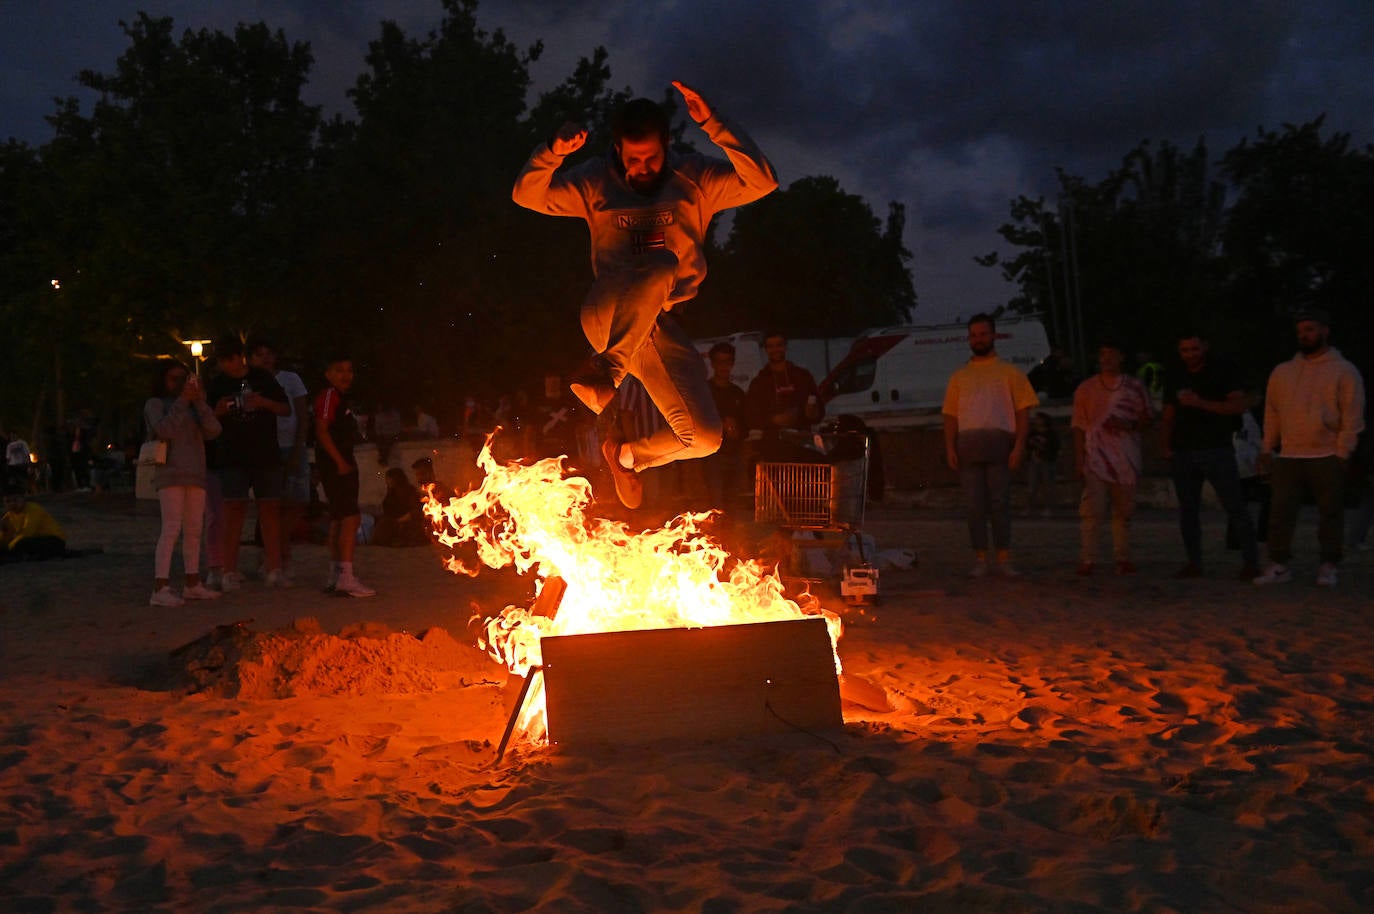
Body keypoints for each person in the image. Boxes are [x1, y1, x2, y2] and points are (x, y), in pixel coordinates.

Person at [512, 82, 778, 509]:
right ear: (617, 149)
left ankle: (626, 456)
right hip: (609, 312)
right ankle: (608, 372)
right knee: (661, 262)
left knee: (704, 436)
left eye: (651, 158)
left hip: (661, 325)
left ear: (666, 145)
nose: (641, 168)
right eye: (632, 159)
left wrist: (715, 124)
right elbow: (526, 195)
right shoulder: (594, 179)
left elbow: (763, 181)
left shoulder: (696, 177)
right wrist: (553, 151)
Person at [1254, 309, 1366, 587]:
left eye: (1311, 329)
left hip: (1326, 453)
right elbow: (1272, 412)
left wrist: (1342, 452)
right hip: (1290, 454)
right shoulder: (1283, 372)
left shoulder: (1344, 370)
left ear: (1325, 330)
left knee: (1330, 513)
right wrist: (1268, 448)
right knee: (1280, 512)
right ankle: (1279, 564)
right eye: (1301, 331)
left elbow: (1353, 415)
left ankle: (1328, 565)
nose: (1305, 335)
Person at [942, 313, 1040, 577]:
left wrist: (1019, 446)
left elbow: (1023, 412)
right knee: (974, 505)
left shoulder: (1010, 373)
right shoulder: (959, 377)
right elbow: (950, 416)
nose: (979, 339)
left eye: (983, 334)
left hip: (1000, 446)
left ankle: (1004, 557)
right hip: (968, 447)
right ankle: (981, 558)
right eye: (974, 335)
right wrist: (950, 447)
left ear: (994, 336)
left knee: (1000, 503)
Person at [1159, 331, 1260, 580]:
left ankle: (1251, 562)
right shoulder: (1175, 374)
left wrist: (1200, 403)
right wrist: (1165, 444)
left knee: (1235, 506)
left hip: (1216, 448)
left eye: (1194, 349)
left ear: (1204, 347)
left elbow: (1237, 406)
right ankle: (1194, 562)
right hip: (1184, 450)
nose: (1190, 355)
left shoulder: (1222, 371)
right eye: (1185, 350)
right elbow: (1169, 413)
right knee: (1188, 510)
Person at [205, 335, 291, 592]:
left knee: (270, 511)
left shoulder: (263, 378)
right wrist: (217, 411)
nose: (227, 365)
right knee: (233, 512)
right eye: (222, 361)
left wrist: (262, 402)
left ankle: (274, 568)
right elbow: (205, 418)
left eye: (230, 359)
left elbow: (285, 409)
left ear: (239, 356)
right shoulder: (218, 384)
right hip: (232, 456)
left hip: (265, 454)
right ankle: (228, 571)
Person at [143, 359, 223, 606]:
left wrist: (198, 401)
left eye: (183, 378)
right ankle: (160, 586)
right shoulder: (156, 404)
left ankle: (192, 583)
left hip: (195, 473)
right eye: (173, 378)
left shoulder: (193, 406)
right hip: (171, 473)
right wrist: (183, 401)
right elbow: (164, 429)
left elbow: (214, 429)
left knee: (193, 529)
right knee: (171, 528)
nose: (179, 384)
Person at [1071, 339, 1154, 576]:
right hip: (1095, 457)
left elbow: (1148, 418)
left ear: (1121, 357)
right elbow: (1078, 425)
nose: (1106, 359)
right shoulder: (1086, 389)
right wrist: (1079, 459)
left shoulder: (1135, 387)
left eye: (1111, 354)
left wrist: (1130, 424)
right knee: (1092, 511)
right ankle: (1088, 558)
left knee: (1123, 511)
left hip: (1126, 457)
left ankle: (1123, 557)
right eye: (1102, 354)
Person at [247, 338, 310, 583]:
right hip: (266, 448)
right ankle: (278, 556)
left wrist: (298, 447)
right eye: (258, 353)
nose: (264, 358)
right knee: (272, 505)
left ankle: (278, 551)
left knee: (298, 502)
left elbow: (302, 414)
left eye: (268, 353)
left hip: (290, 445)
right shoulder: (250, 383)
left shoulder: (290, 379)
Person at [314, 355, 375, 597]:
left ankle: (336, 573)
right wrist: (339, 462)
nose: (346, 375)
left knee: (340, 519)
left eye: (349, 370)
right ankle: (346, 577)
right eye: (339, 370)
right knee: (350, 519)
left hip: (339, 463)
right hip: (337, 465)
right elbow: (321, 430)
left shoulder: (340, 397)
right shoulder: (329, 395)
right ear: (328, 374)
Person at [744, 332, 822, 461]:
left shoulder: (802, 377)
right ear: (766, 349)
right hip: (772, 446)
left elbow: (818, 410)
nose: (775, 350)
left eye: (779, 345)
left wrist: (811, 413)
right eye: (770, 346)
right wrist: (773, 419)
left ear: (785, 347)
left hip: (802, 444)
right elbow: (751, 416)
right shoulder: (759, 382)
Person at [702, 342, 747, 510]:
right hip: (712, 456)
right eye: (719, 362)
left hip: (734, 453)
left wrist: (737, 431)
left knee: (732, 503)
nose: (723, 366)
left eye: (727, 362)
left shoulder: (737, 393)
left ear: (732, 364)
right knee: (715, 503)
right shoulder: (705, 391)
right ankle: (716, 535)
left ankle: (731, 535)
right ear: (713, 364)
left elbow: (746, 424)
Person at [372, 467, 430, 547]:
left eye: (389, 479)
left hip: (408, 521)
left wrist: (400, 520)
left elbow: (416, 510)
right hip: (394, 520)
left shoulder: (409, 491)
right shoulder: (391, 492)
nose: (387, 481)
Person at [0, 493, 66, 562]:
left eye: (15, 500)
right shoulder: (9, 515)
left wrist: (10, 547)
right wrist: (4, 531)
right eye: (8, 501)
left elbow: (27, 533)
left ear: (23, 498)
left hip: (55, 541)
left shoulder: (33, 509)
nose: (12, 503)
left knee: (21, 543)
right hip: (34, 541)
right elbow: (6, 538)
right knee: (13, 545)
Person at [1025, 412, 1059, 516]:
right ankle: (1030, 509)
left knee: (1048, 486)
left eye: (1038, 418)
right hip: (1034, 462)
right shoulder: (1032, 433)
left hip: (1047, 462)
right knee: (1032, 487)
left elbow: (1055, 447)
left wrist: (1043, 446)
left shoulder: (1051, 433)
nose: (1036, 420)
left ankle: (1049, 509)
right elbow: (1027, 445)